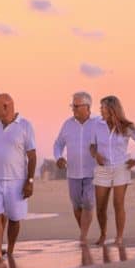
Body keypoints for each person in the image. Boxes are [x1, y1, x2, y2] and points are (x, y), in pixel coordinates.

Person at [0, 93, 36, 263]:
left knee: (15, 218)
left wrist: (29, 181)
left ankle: (10, 249)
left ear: (6, 107)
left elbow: (32, 156)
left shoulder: (25, 125)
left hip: (17, 181)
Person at [91, 95, 135, 245]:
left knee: (118, 203)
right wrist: (96, 154)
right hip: (102, 168)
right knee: (100, 206)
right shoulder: (97, 125)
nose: (100, 110)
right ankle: (103, 234)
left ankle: (119, 236)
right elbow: (91, 145)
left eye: (103, 107)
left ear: (112, 109)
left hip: (121, 167)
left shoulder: (127, 127)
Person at [53, 91, 101, 243]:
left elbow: (107, 142)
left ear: (87, 107)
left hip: (92, 171)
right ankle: (83, 231)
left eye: (76, 106)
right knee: (76, 204)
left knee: (88, 202)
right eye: (72, 106)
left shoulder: (98, 123)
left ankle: (83, 236)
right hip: (72, 172)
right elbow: (58, 144)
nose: (73, 109)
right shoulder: (67, 124)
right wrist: (59, 157)